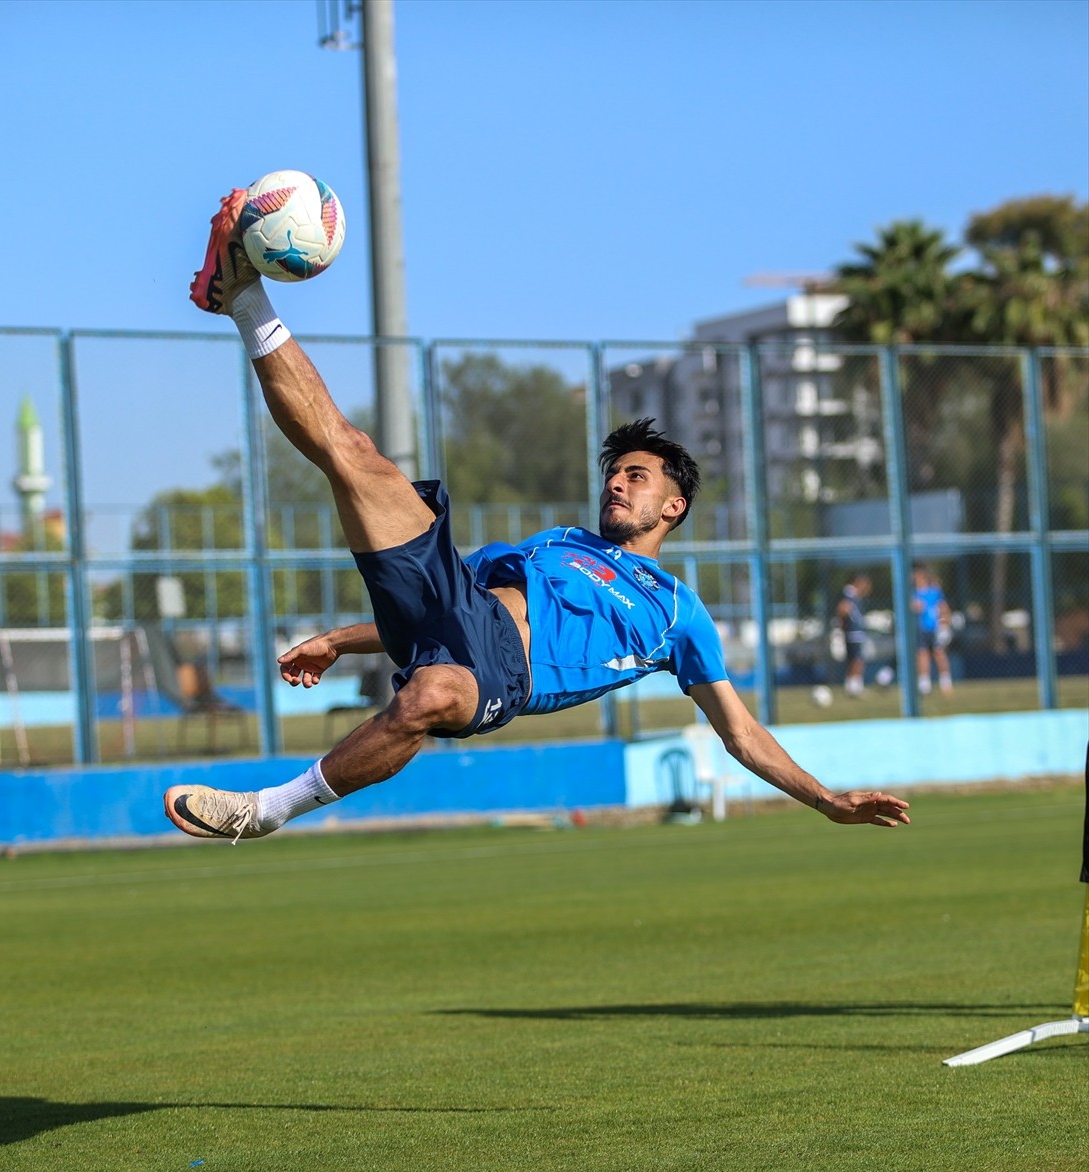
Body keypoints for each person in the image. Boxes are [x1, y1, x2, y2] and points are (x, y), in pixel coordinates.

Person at [164, 186, 910, 842]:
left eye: (637, 477)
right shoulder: (559, 542)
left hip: (501, 673)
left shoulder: (679, 612)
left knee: (432, 692)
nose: (616, 485)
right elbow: (449, 602)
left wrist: (826, 800)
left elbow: (741, 734)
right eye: (614, 473)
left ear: (673, 506)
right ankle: (243, 300)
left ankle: (265, 810)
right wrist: (340, 641)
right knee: (355, 454)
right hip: (456, 605)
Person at [912, 564, 954, 696]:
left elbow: (944, 609)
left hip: (934, 628)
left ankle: (945, 682)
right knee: (922, 654)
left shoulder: (934, 592)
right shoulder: (913, 593)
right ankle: (924, 685)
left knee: (939, 653)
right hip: (920, 629)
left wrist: (944, 625)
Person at [835, 573, 872, 698]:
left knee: (853, 658)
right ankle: (855, 685)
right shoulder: (849, 595)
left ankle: (851, 685)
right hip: (854, 632)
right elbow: (842, 609)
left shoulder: (853, 596)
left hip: (854, 631)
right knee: (857, 658)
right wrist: (842, 626)